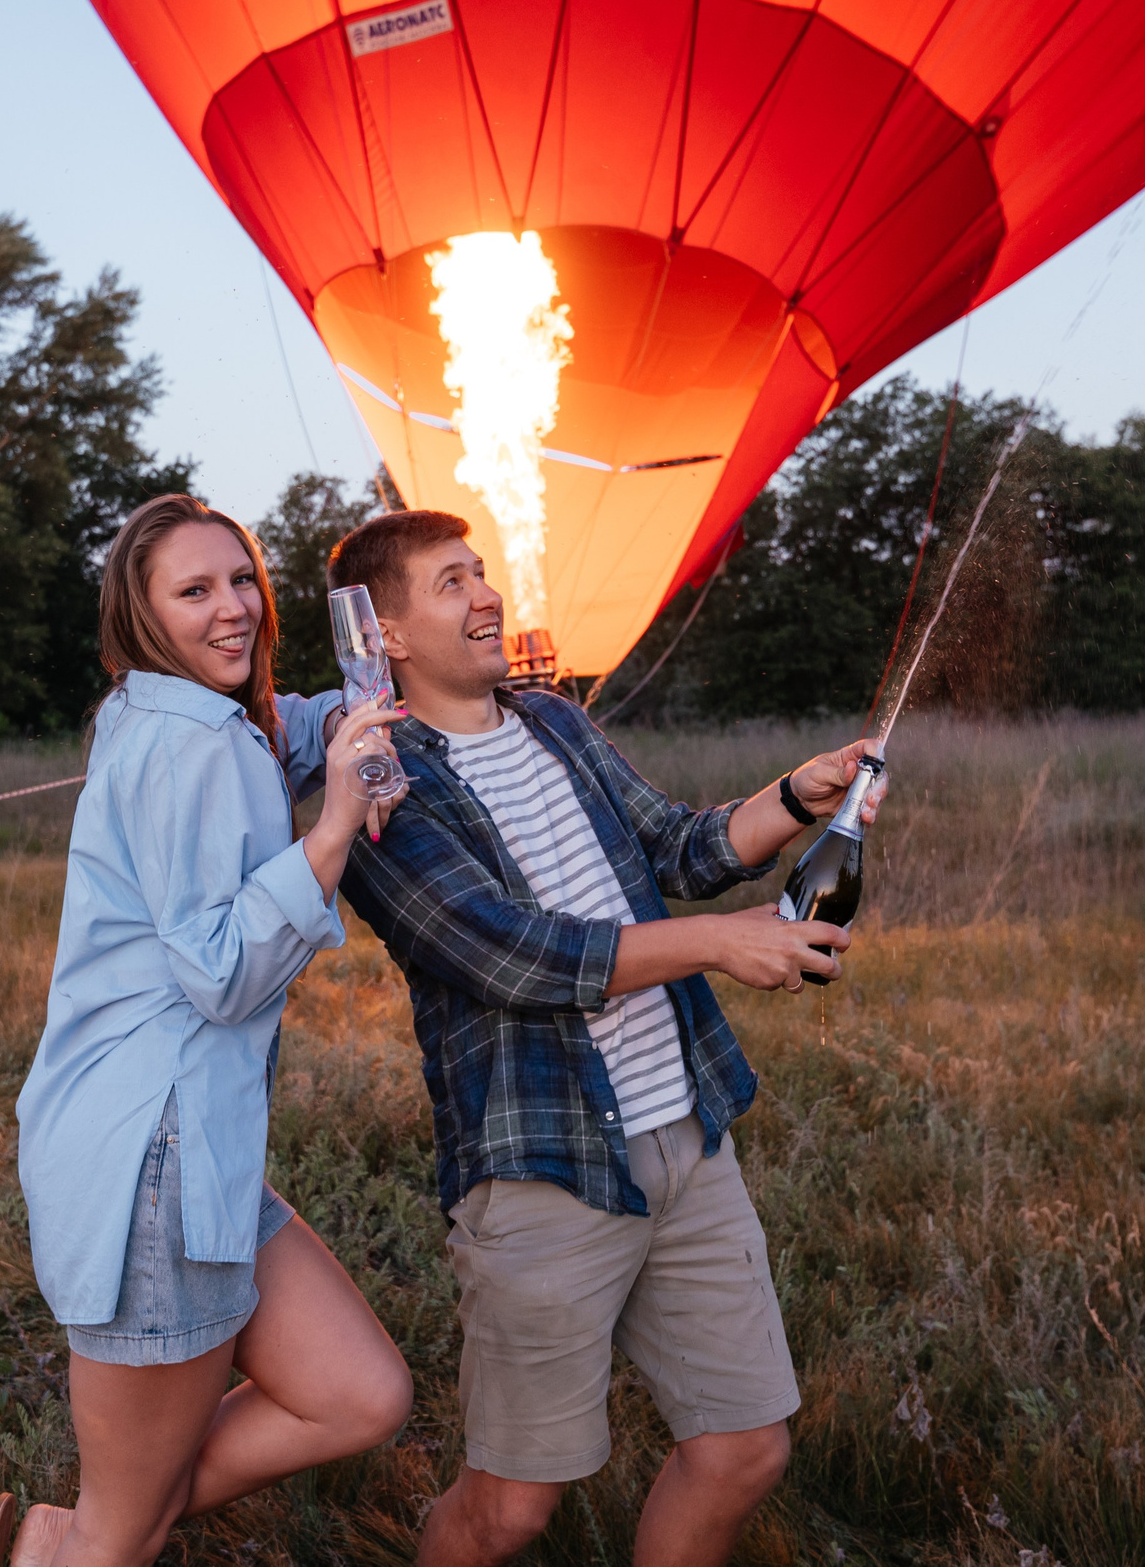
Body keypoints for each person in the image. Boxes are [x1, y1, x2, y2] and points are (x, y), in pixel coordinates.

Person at [328, 509, 884, 1567]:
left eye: (481, 573)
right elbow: (514, 958)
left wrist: (790, 796)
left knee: (742, 1450)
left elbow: (678, 845)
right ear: (387, 632)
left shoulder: (555, 724)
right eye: (450, 583)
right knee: (508, 1511)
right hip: (543, 1170)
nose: (484, 595)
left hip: (686, 1132)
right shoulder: (382, 787)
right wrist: (719, 944)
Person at [0, 493, 414, 1567]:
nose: (231, 609)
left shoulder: (179, 715)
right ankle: (81, 1545)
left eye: (241, 580)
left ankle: (65, 1540)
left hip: (195, 1145)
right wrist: (328, 830)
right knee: (121, 1541)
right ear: (142, 617)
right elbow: (220, 975)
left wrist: (342, 714)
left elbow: (269, 732)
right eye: (194, 592)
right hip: (157, 1161)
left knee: (357, 1394)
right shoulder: (193, 747)